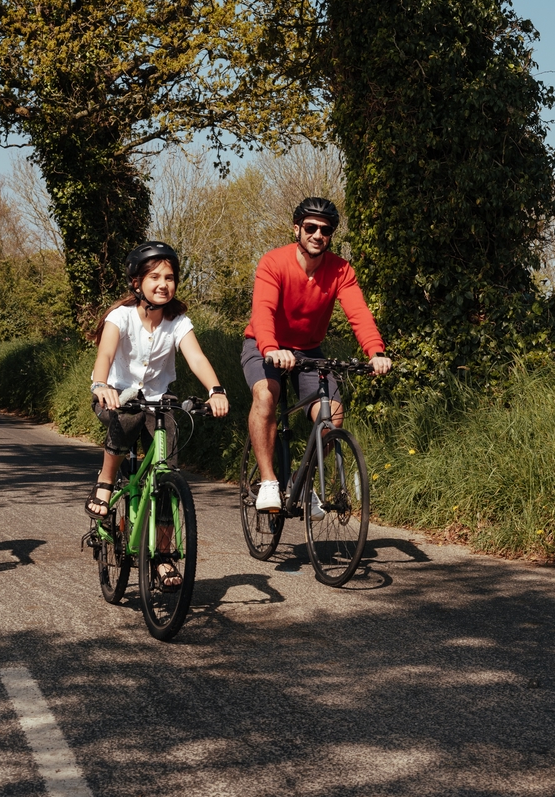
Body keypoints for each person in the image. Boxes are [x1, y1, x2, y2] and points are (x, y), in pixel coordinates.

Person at [87, 241, 229, 589]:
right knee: (128, 419)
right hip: (116, 397)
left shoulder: (177, 321)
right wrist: (101, 385)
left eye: (170, 277)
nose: (163, 284)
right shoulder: (119, 317)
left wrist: (215, 389)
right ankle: (106, 483)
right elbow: (105, 354)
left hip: (159, 402)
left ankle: (164, 558)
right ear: (137, 283)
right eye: (154, 277)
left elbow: (195, 358)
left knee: (166, 472)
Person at [243, 197, 391, 513]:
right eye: (310, 227)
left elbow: (359, 314)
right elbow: (264, 311)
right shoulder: (273, 262)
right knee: (266, 396)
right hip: (264, 344)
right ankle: (269, 481)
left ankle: (301, 480)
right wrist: (270, 348)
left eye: (325, 230)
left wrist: (375, 351)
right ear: (297, 228)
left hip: (308, 350)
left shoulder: (341, 270)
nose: (317, 235)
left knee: (331, 416)